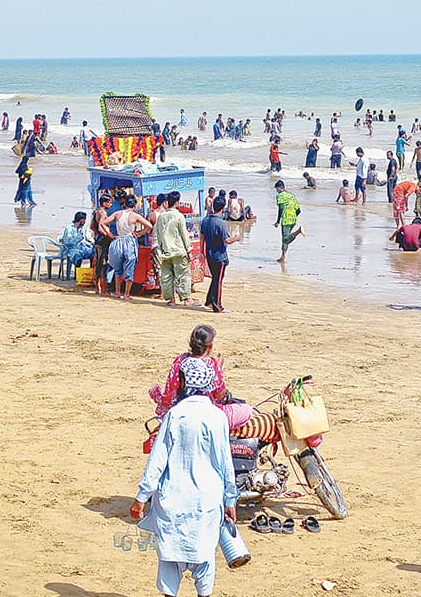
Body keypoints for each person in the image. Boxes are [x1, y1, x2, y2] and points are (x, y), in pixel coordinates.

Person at [131, 356, 238, 597]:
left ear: (182, 382)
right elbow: (226, 463)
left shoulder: (175, 415)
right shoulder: (218, 416)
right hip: (207, 500)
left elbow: (157, 460)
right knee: (205, 557)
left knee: (170, 559)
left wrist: (141, 496)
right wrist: (230, 500)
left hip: (174, 499)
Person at [108, 196, 153, 300]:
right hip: (130, 241)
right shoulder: (135, 215)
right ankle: (127, 294)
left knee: (118, 268)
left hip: (119, 240)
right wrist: (140, 233)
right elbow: (149, 226)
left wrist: (110, 234)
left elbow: (103, 223)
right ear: (134, 205)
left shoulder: (117, 214)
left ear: (125, 204)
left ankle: (117, 292)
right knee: (130, 267)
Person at [155, 192, 196, 306]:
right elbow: (184, 234)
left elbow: (158, 234)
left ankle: (171, 299)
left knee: (167, 276)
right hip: (179, 250)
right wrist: (189, 250)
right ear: (177, 202)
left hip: (165, 250)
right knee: (182, 275)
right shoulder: (179, 216)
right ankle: (186, 298)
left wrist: (160, 248)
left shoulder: (161, 216)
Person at [200, 196, 240, 312]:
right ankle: (217, 306)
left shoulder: (206, 220)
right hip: (219, 256)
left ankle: (209, 301)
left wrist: (202, 252)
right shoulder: (220, 223)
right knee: (218, 281)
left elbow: (202, 237)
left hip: (209, 254)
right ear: (223, 208)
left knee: (215, 278)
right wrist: (236, 238)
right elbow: (227, 240)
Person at [273, 180, 304, 264]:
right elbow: (298, 210)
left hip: (286, 219)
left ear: (279, 188)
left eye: (276, 189)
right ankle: (282, 257)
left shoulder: (280, 196)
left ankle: (298, 231)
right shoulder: (291, 196)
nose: (276, 191)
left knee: (286, 239)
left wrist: (278, 221)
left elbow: (281, 208)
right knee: (286, 238)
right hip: (293, 219)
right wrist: (293, 217)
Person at [92, 194, 115, 296]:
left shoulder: (96, 211)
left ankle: (98, 287)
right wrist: (109, 236)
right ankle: (103, 288)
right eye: (109, 202)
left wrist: (97, 234)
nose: (111, 204)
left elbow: (93, 226)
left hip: (97, 241)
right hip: (102, 242)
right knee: (103, 264)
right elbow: (101, 227)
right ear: (104, 203)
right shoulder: (103, 213)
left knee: (98, 264)